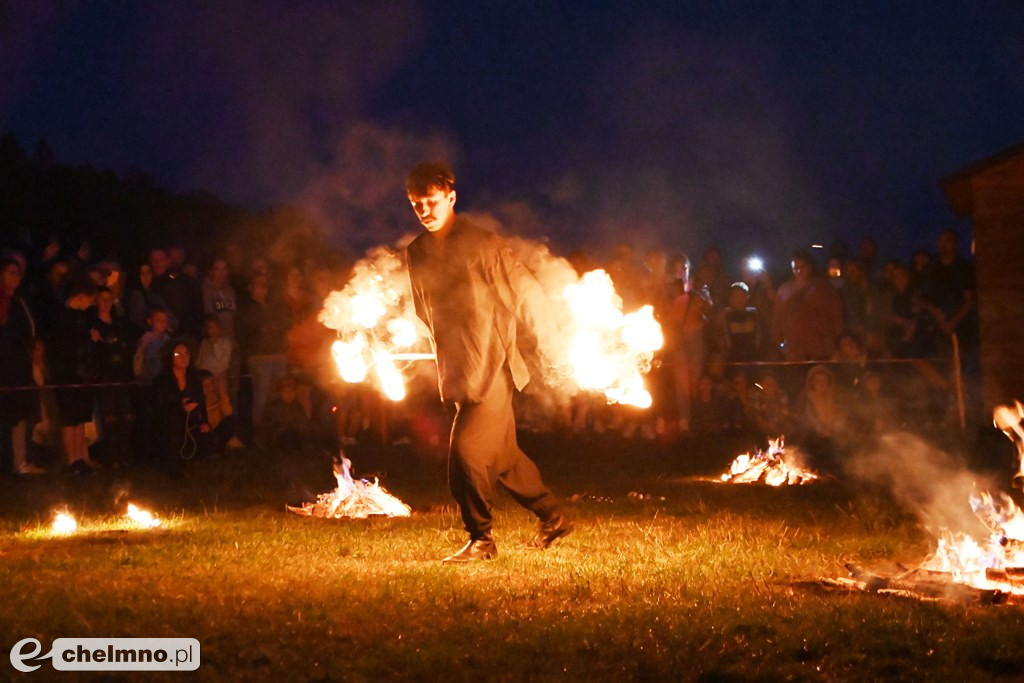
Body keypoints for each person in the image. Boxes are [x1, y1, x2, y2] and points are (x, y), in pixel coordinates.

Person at [405, 161, 571, 563]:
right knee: (506, 458)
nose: (425, 211)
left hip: (492, 365)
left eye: (431, 201)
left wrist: (552, 342)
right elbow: (424, 310)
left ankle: (481, 539)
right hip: (459, 369)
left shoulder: (482, 244)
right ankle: (554, 518)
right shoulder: (418, 252)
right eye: (416, 204)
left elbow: (524, 290)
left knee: (467, 455)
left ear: (451, 197)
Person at [0, 258, 44, 474]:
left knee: (19, 415)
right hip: (3, 365)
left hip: (18, 366)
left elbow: (29, 331)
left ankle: (19, 462)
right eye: (10, 272)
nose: (14, 277)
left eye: (17, 273)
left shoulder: (19, 301)